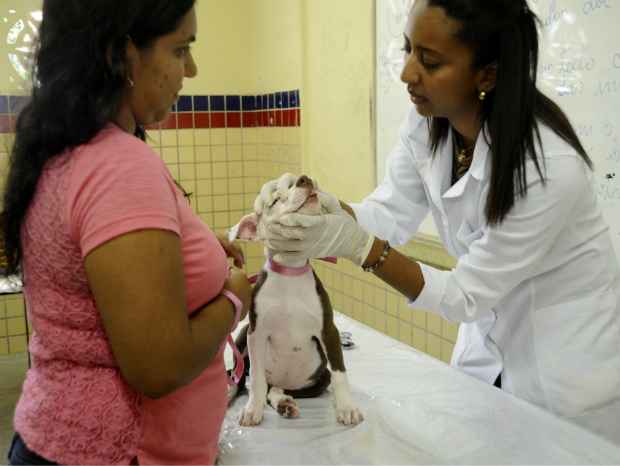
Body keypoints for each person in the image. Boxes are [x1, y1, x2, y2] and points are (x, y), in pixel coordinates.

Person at [256, 0, 620, 445]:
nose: (408, 73)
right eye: (408, 49)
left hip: (563, 382)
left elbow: (465, 295)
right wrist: (319, 205)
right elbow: (387, 215)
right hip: (485, 360)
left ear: (487, 74)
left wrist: (358, 246)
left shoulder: (548, 169)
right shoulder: (428, 123)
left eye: (429, 61)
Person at [1, 1, 253, 464]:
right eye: (180, 50)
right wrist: (234, 299)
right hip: (117, 450)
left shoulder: (64, 147)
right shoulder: (120, 165)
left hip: (55, 435)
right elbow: (158, 366)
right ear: (122, 56)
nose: (191, 70)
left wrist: (189, 243)